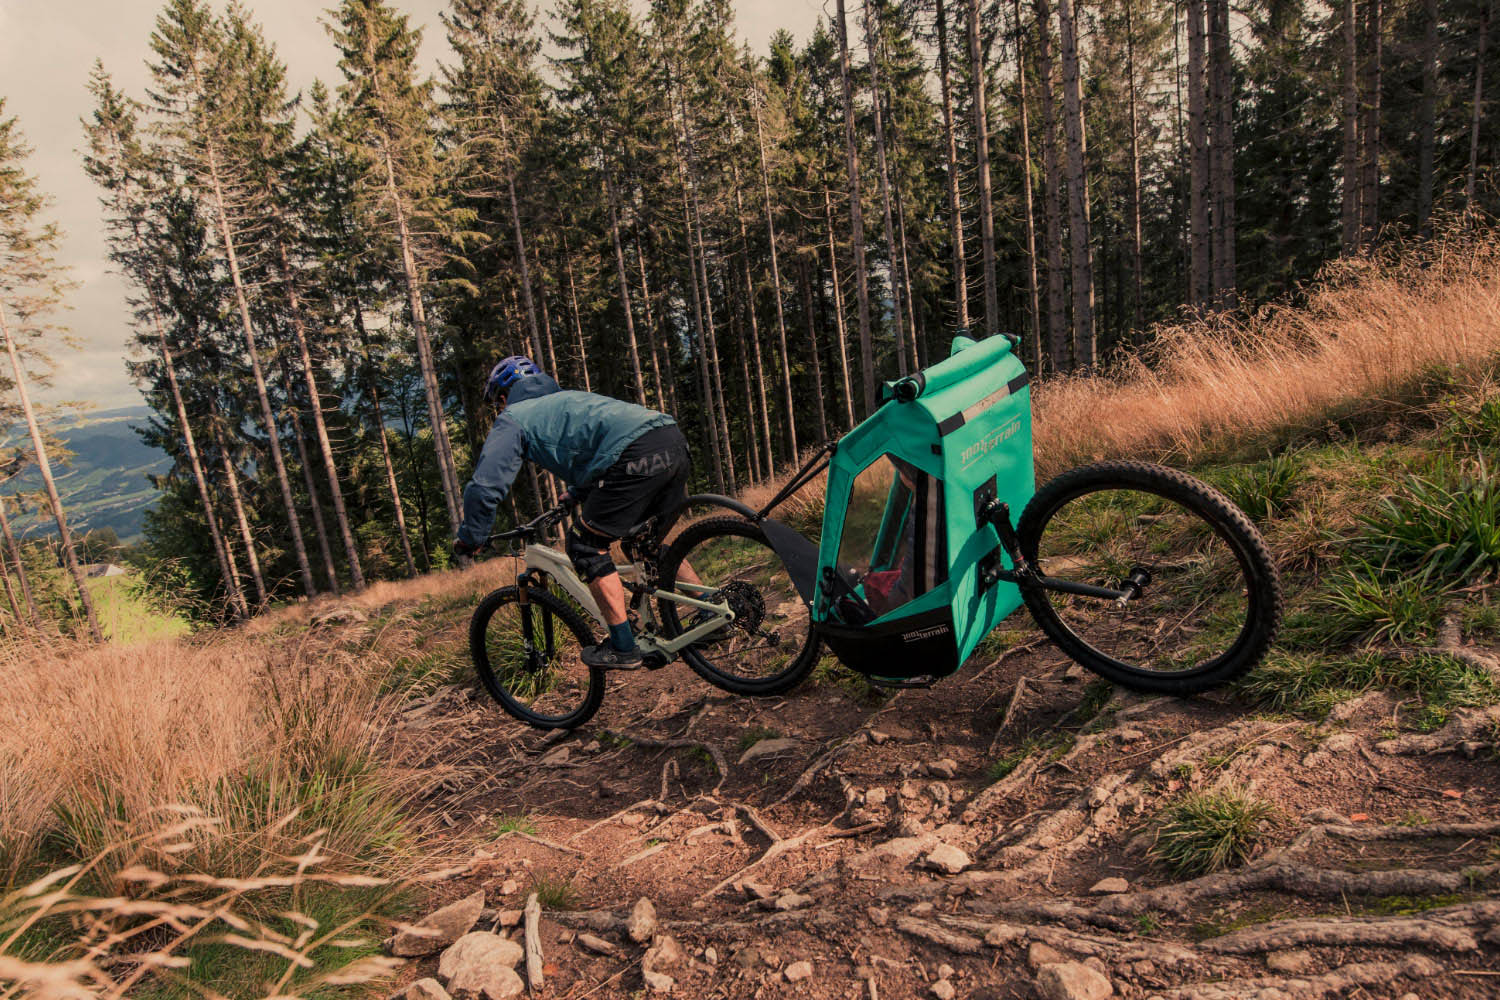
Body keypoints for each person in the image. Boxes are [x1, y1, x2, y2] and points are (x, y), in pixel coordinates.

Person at [452, 356, 692, 669]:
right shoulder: (569, 399)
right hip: (672, 439)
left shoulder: (514, 417)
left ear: (504, 397)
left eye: (498, 403)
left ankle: (623, 647)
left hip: (635, 457)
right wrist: (576, 494)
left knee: (585, 545)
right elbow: (603, 445)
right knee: (642, 543)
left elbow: (484, 487)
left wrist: (472, 536)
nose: (499, 408)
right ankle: (711, 611)